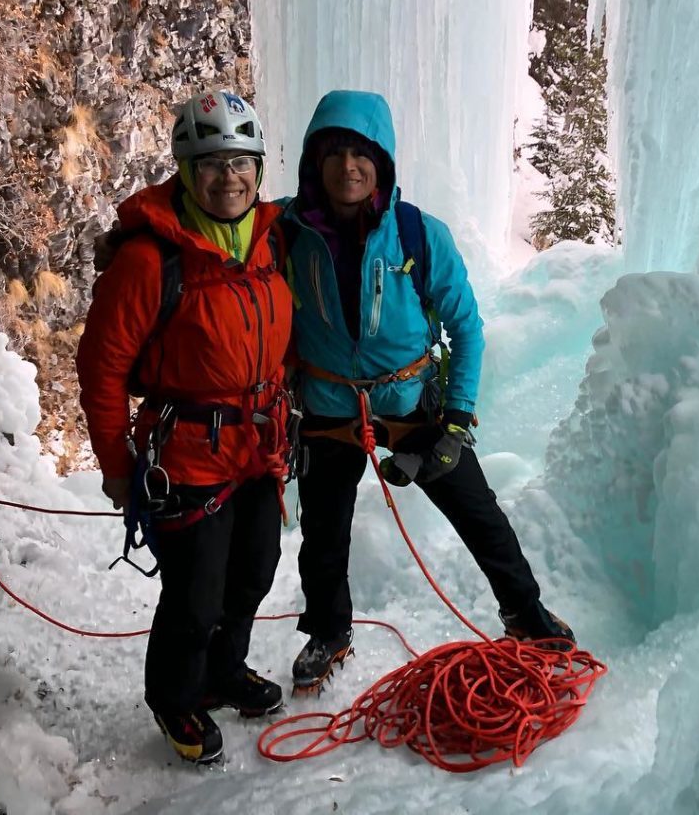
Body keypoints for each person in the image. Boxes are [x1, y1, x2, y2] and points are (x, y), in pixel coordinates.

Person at [280, 89, 576, 693]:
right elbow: (210, 233)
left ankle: (526, 613)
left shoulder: (418, 234)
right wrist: (132, 240)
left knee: (478, 513)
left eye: (361, 154)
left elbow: (465, 326)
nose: (348, 168)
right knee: (324, 531)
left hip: (411, 403)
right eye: (333, 154)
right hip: (330, 405)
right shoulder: (282, 230)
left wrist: (460, 416)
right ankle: (329, 630)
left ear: (383, 162)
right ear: (314, 163)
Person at [76, 90, 294, 765]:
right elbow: (102, 367)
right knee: (196, 596)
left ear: (259, 169)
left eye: (241, 162)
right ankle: (175, 696)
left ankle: (223, 672)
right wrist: (116, 463)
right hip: (188, 453)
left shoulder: (270, 240)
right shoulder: (151, 261)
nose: (228, 177)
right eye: (211, 163)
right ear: (186, 170)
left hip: (256, 446)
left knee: (254, 571)